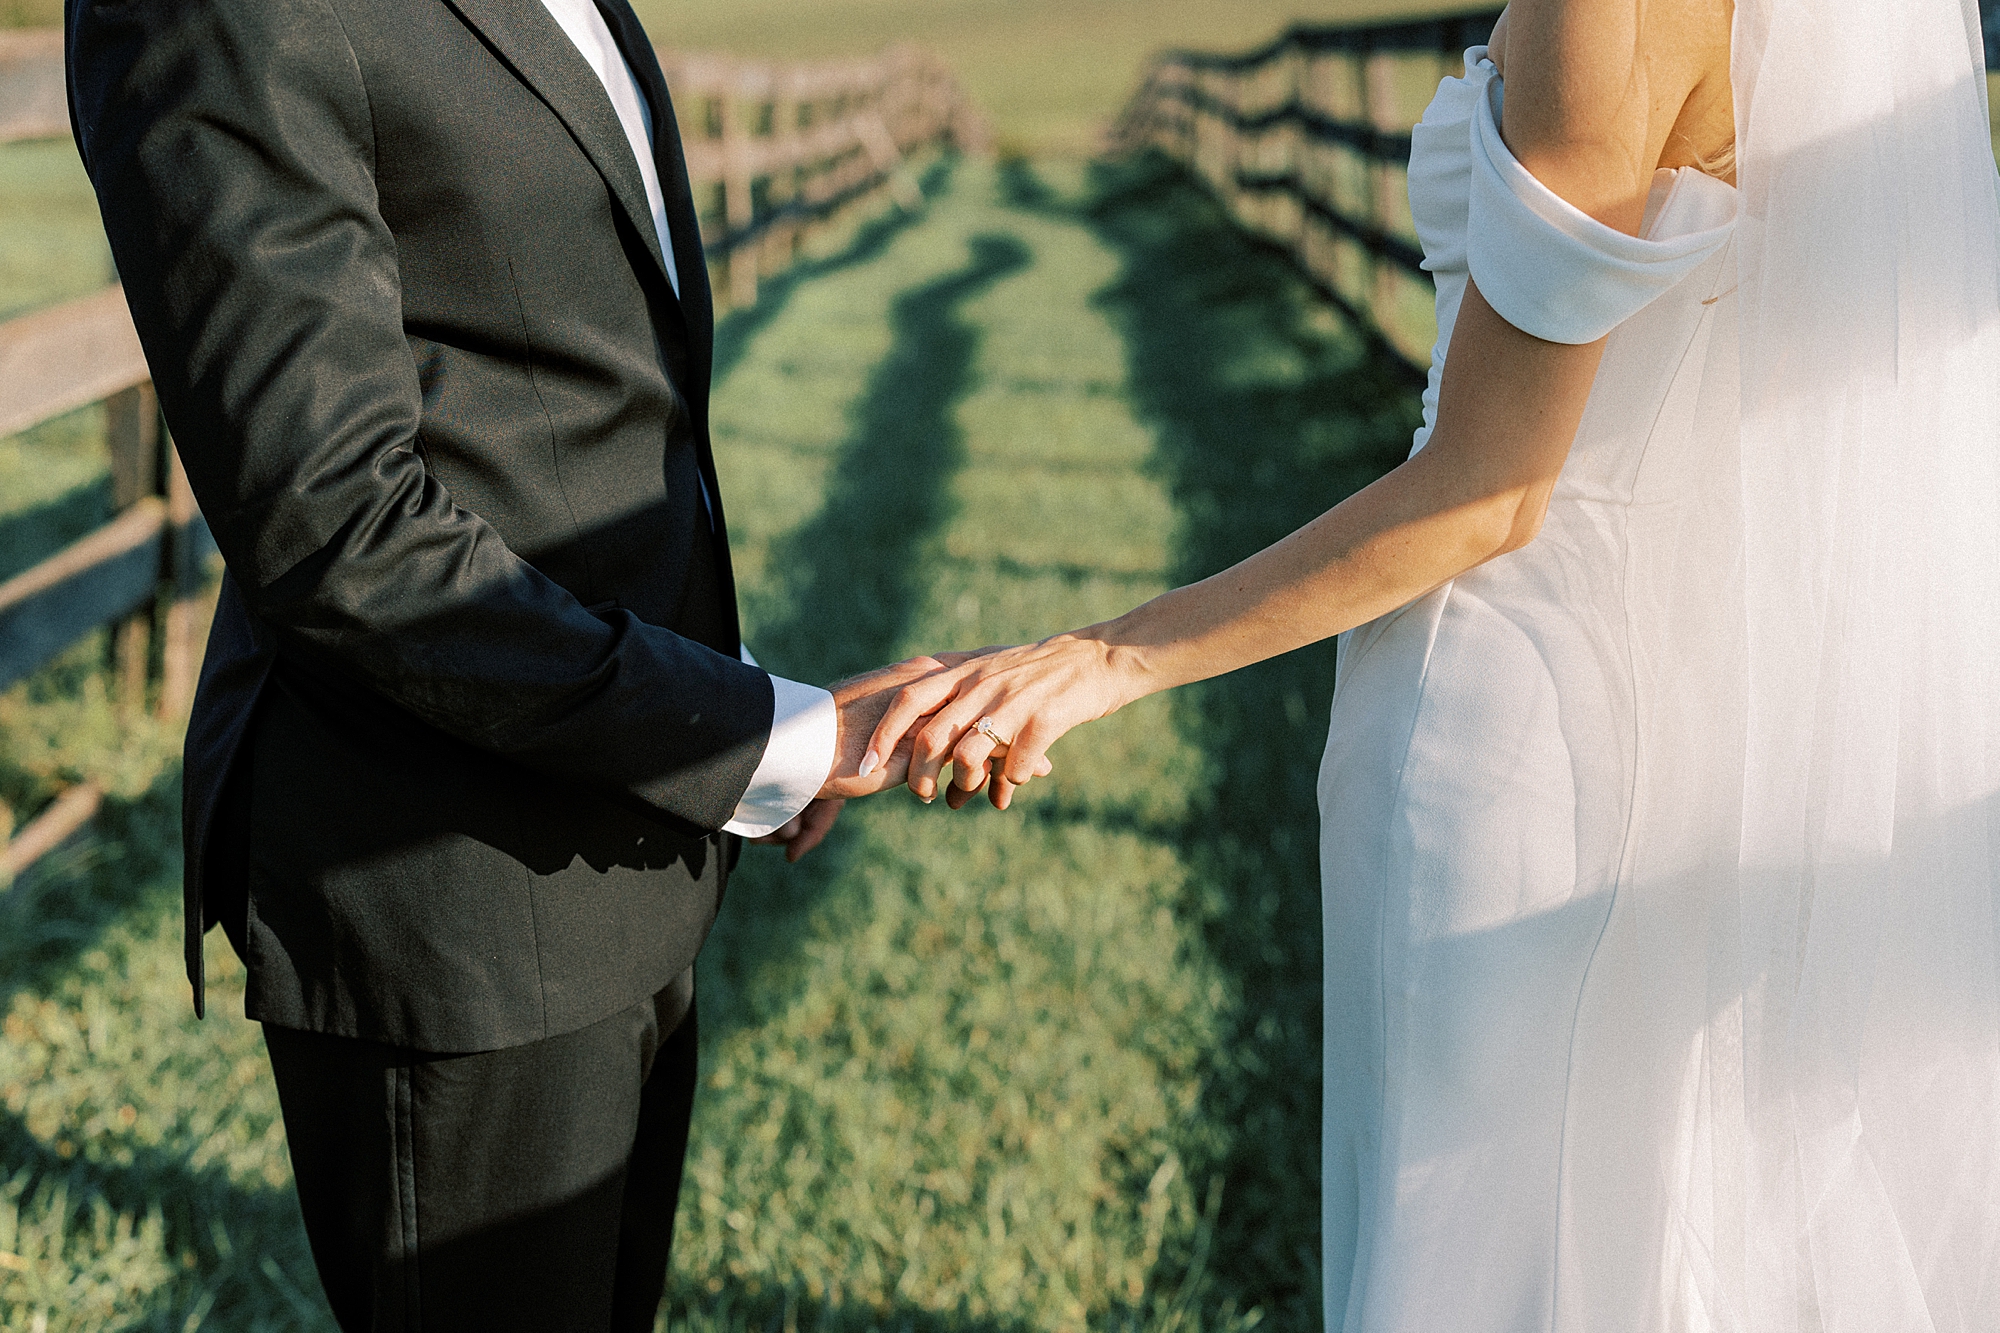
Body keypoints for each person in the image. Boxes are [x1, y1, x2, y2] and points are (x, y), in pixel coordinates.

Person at [869, 0, 2000, 1325]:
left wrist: (1099, 659)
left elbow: (1486, 491)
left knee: (1483, 1242)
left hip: (1516, 710)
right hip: (1691, 691)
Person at [62, 0, 977, 1325]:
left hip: (628, 843)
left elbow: (567, 390)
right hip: (451, 897)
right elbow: (339, 531)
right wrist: (760, 738)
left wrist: (723, 701)